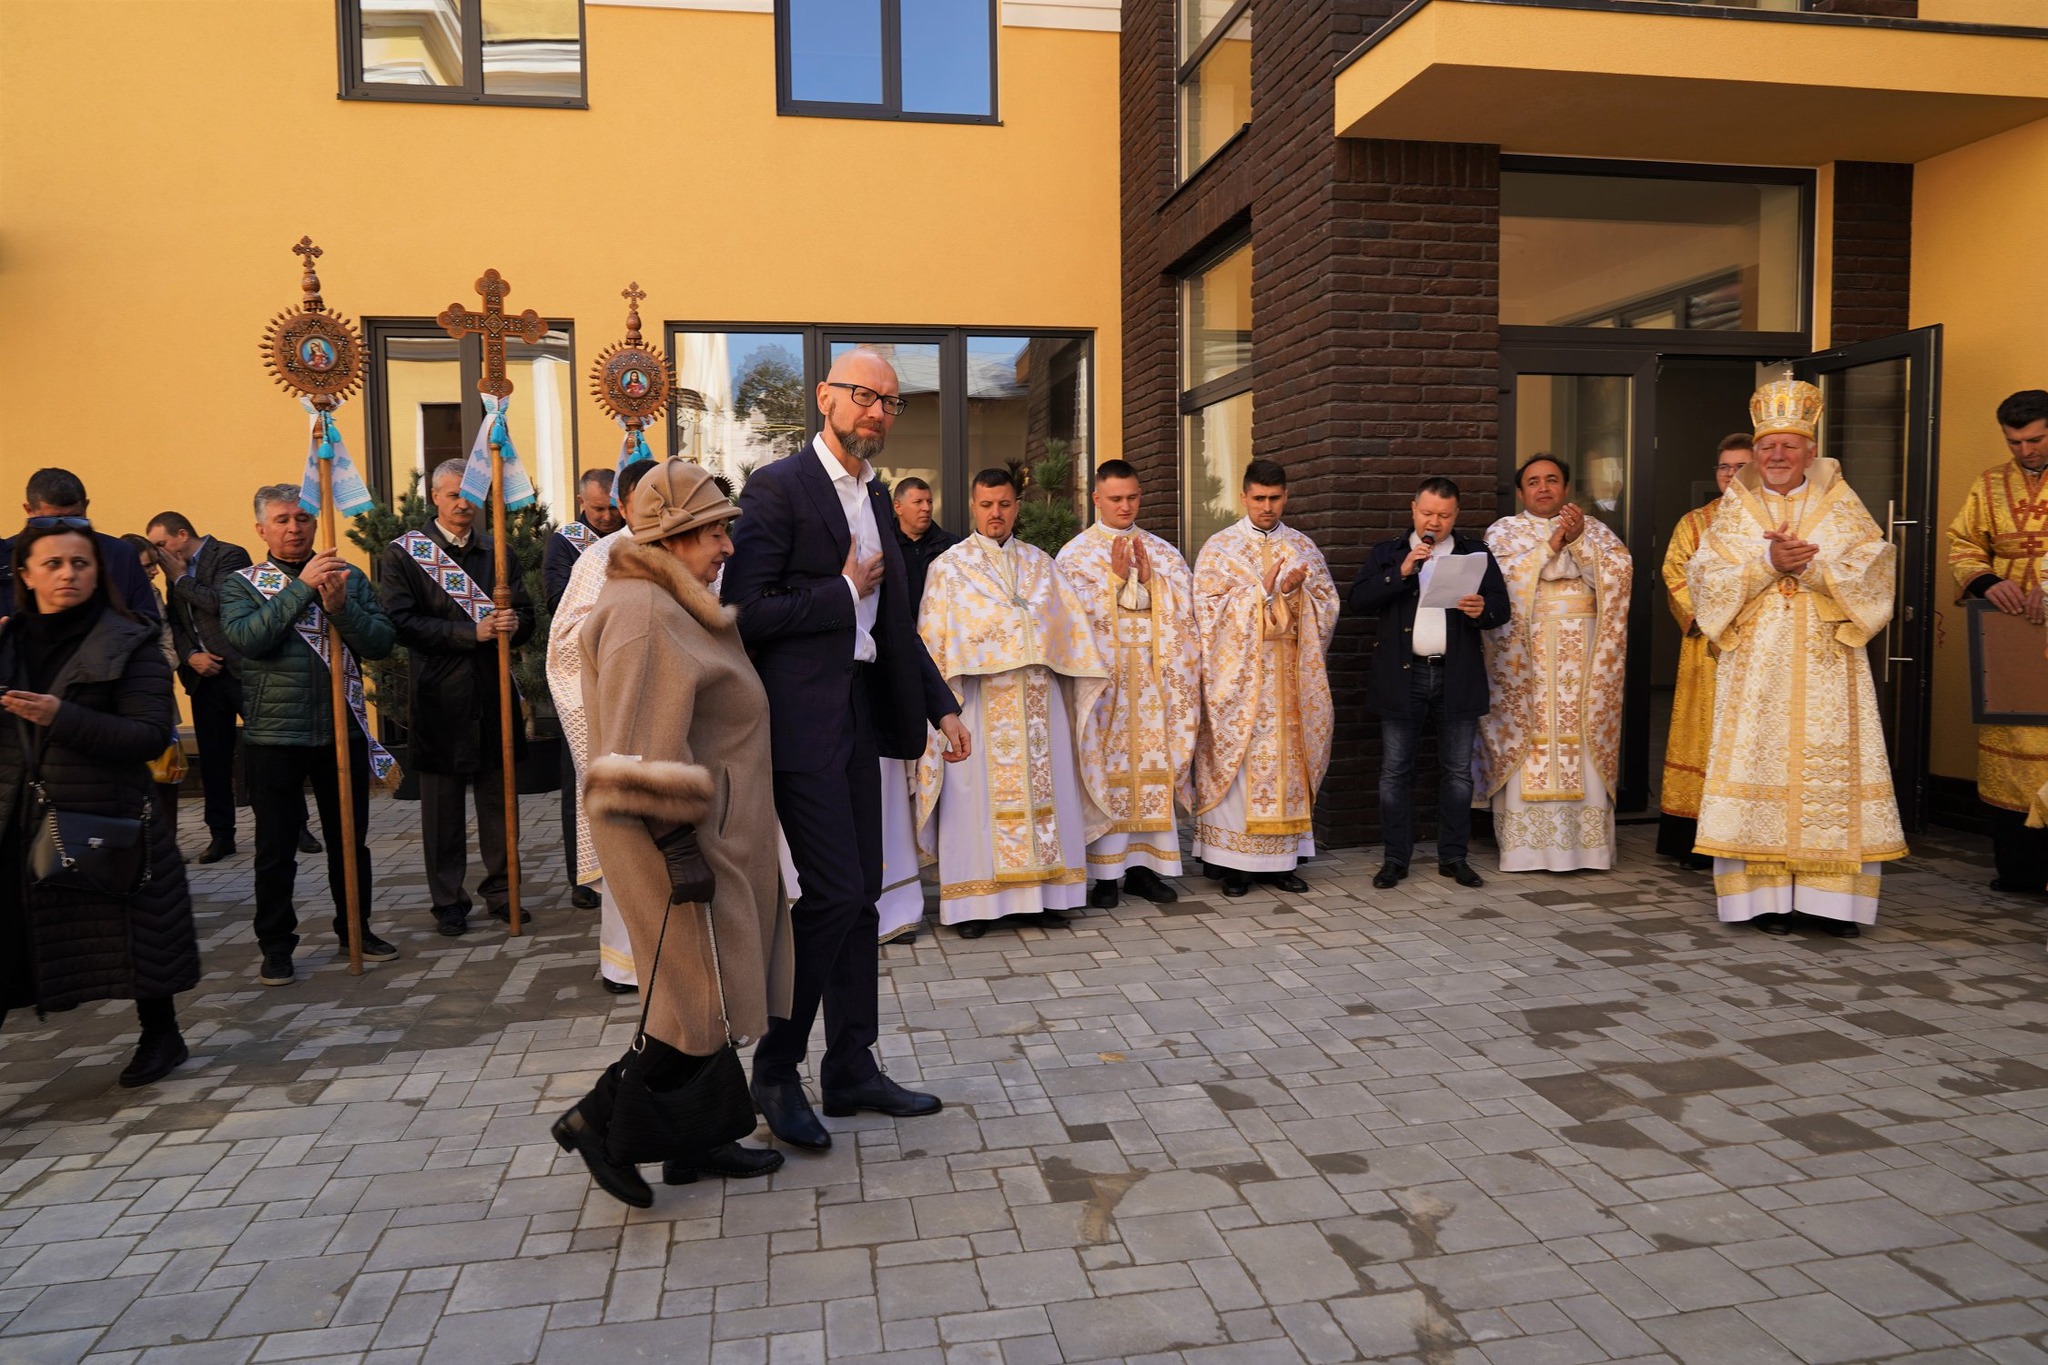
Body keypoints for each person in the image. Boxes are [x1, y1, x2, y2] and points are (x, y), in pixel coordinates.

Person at [721, 346, 969, 1152]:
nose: (878, 412)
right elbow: (745, 611)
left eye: (891, 402)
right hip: (800, 724)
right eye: (866, 396)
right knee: (830, 894)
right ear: (826, 396)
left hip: (862, 714)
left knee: (862, 897)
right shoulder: (779, 487)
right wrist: (839, 590)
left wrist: (940, 706)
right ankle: (776, 1067)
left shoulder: (875, 496)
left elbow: (891, 624)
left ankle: (852, 1065)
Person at [552, 458, 791, 1207]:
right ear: (673, 534)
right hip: (672, 837)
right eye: (715, 531)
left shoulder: (670, 601)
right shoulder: (646, 615)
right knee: (693, 999)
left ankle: (697, 1141)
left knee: (704, 992)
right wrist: (680, 848)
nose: (727, 546)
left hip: (705, 830)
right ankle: (596, 1122)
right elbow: (637, 752)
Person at [1690, 378, 1905, 937]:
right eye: (1768, 446)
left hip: (1828, 668)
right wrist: (1767, 564)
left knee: (1828, 780)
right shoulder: (1735, 511)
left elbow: (1876, 570)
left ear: (1811, 451)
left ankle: (1829, 905)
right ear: (1755, 454)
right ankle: (1764, 902)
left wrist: (1811, 568)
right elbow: (1704, 580)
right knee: (1758, 768)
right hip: (1757, 668)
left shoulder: (1841, 505)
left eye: (1789, 445)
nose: (1777, 455)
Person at [0, 523, 200, 1087]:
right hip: (16, 814)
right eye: (53, 564)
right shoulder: (7, 642)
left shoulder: (130, 641)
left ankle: (161, 1034)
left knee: (134, 934)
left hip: (104, 813)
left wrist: (61, 716)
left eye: (80, 563)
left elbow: (148, 735)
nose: (68, 574)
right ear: (25, 574)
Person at [220, 484, 400, 984]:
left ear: (316, 523)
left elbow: (381, 643)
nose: (294, 528)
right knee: (275, 850)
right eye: (282, 520)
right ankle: (276, 945)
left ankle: (356, 930)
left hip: (341, 731)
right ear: (261, 530)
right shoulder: (242, 584)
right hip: (274, 736)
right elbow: (248, 640)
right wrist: (302, 588)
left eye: (302, 518)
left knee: (350, 842)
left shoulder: (348, 577)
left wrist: (341, 607)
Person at [917, 468, 1108, 936]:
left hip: (1039, 702)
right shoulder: (949, 567)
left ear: (1017, 507)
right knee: (974, 803)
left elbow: (1069, 630)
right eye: (986, 505)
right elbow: (934, 641)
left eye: (1004, 504)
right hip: (978, 703)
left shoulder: (1043, 565)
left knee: (1047, 794)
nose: (995, 513)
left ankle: (1046, 897)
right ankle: (974, 905)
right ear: (973, 507)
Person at [381, 459, 536, 938]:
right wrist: (471, 633)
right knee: (442, 811)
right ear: (434, 497)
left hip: (492, 694)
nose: (464, 504)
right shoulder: (406, 555)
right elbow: (400, 622)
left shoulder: (498, 551)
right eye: (453, 495)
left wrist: (516, 624)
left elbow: (527, 614)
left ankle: (503, 892)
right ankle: (448, 901)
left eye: (470, 495)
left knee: (499, 802)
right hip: (439, 696)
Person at [1350, 477, 1511, 890]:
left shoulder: (1474, 553)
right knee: (1394, 771)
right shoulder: (1388, 552)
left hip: (1456, 675)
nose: (1434, 522)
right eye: (1427, 513)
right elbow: (1358, 600)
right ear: (1413, 509)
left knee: (1457, 772)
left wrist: (1482, 609)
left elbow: (1501, 608)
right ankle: (1395, 858)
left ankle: (1454, 857)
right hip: (1403, 676)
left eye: (1444, 515)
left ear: (1456, 515)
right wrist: (1402, 571)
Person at [1190, 459, 1340, 898]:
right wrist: (1260, 592)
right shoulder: (1220, 548)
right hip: (1240, 684)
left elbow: (1328, 607)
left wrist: (1296, 595)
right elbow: (1206, 613)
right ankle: (1234, 865)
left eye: (1275, 498)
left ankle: (1281, 864)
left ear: (1286, 496)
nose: (1267, 507)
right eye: (1259, 498)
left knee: (1287, 768)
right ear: (1244, 497)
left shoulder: (1304, 547)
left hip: (1289, 677)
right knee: (1241, 769)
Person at [1476, 456, 1632, 873]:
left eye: (1551, 480)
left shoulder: (1594, 529)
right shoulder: (1504, 532)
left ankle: (1587, 850)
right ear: (1521, 492)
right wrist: (1551, 549)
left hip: (1583, 662)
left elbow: (1619, 578)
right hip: (1526, 662)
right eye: (1533, 482)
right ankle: (1525, 850)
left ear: (1565, 488)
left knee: (1580, 737)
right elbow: (1501, 580)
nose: (1543, 488)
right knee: (1531, 739)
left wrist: (1578, 543)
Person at [1055, 460, 1199, 910]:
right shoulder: (1075, 556)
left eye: (1132, 497)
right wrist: (1113, 584)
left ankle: (1143, 870)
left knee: (1151, 771)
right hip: (1105, 688)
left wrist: (1155, 585)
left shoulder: (1164, 553)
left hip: (1154, 682)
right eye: (1115, 499)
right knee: (1106, 773)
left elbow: (1186, 615)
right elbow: (1066, 621)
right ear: (1096, 499)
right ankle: (1104, 875)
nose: (1125, 506)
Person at [550, 458, 659, 993]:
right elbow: (566, 641)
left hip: (681, 718)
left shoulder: (693, 549)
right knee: (628, 839)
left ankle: (683, 959)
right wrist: (628, 630)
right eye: (645, 498)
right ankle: (626, 962)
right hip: (622, 720)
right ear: (624, 504)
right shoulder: (600, 557)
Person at [1948, 389, 2048, 893]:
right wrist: (1988, 582)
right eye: (2014, 442)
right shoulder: (1989, 484)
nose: (2025, 451)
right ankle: (2020, 871)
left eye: (2036, 440)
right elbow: (1964, 544)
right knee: (2011, 744)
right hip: (2010, 636)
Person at [1657, 437, 1752, 870]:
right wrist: (1711, 618)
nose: (1730, 475)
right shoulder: (1695, 523)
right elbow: (1674, 572)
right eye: (1723, 467)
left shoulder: (1777, 520)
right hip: (1707, 650)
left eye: (1740, 466)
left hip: (1755, 647)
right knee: (1704, 737)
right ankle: (1694, 839)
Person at [147, 511, 255, 863]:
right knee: (213, 761)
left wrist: (180, 578)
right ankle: (221, 835)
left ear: (182, 534)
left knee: (267, 752)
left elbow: (219, 602)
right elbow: (176, 623)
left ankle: (294, 827)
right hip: (204, 678)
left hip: (240, 671)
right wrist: (190, 655)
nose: (158, 554)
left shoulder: (229, 555)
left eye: (161, 544)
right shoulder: (173, 574)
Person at [544, 470, 624, 911]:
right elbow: (560, 601)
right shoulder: (567, 543)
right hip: (583, 673)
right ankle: (583, 873)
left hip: (621, 668)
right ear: (581, 503)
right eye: (598, 509)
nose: (607, 516)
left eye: (612, 507)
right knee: (579, 775)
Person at [0, 468, 159, 621]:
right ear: (29, 510)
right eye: (51, 521)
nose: (64, 529)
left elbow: (148, 621)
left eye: (74, 519)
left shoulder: (121, 554)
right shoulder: (7, 557)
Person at [891, 475, 957, 615]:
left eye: (929, 501)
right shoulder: (883, 546)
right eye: (918, 502)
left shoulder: (952, 547)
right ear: (898, 507)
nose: (926, 508)